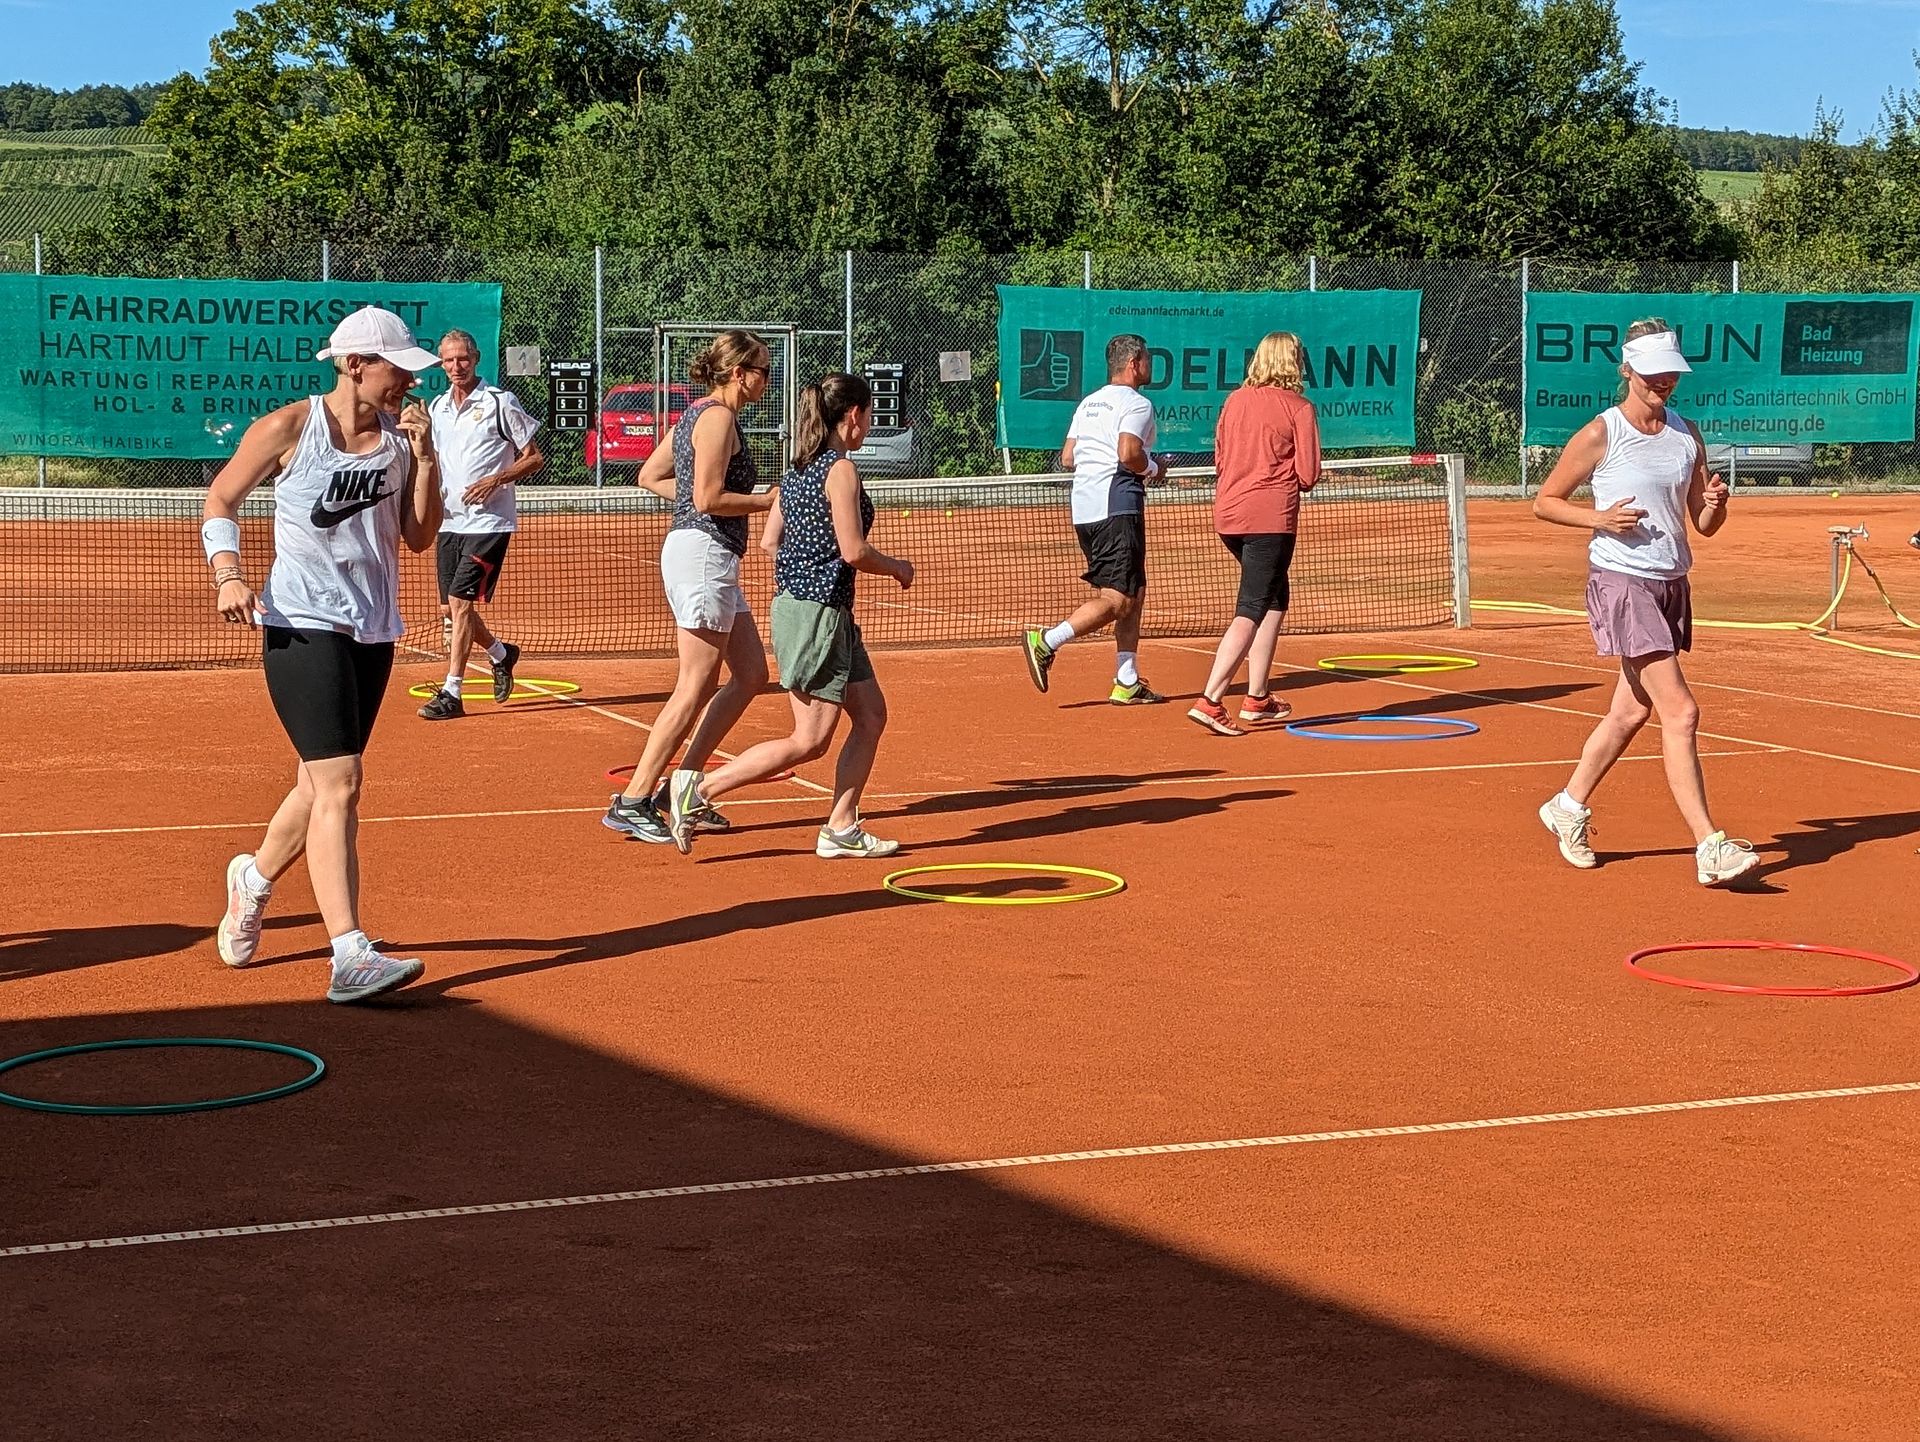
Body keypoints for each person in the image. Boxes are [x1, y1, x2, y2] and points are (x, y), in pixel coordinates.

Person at [202, 305, 444, 1002]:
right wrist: (229, 574)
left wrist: (426, 461)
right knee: (341, 784)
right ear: (352, 364)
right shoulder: (290, 427)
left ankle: (251, 881)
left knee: (316, 786)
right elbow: (221, 498)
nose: (405, 380)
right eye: (395, 367)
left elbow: (420, 536)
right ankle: (349, 953)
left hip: (372, 631)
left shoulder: (402, 441)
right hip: (299, 625)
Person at [1533, 318, 1760, 887]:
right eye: (1654, 372)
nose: (1664, 383)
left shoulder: (1687, 435)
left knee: (1631, 710)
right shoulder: (1600, 433)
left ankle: (1567, 805)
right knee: (1680, 711)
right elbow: (1545, 501)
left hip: (1670, 582)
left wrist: (1716, 502)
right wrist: (1600, 518)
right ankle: (1710, 845)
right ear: (1628, 369)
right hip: (1622, 580)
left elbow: (1703, 525)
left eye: (1671, 374)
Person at [666, 372, 913, 858]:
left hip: (820, 611)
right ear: (855, 416)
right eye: (868, 417)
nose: (868, 426)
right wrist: (897, 567)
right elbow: (852, 549)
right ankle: (698, 791)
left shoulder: (797, 471)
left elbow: (768, 541)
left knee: (870, 716)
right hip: (816, 615)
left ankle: (841, 826)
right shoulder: (839, 471)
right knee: (811, 739)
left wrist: (805, 572)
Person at [603, 331, 776, 843]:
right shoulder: (718, 417)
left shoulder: (698, 413)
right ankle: (633, 799)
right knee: (695, 685)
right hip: (703, 554)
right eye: (764, 370)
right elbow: (707, 497)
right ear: (740, 373)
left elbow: (650, 475)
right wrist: (767, 502)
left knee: (749, 673)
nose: (769, 380)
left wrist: (694, 502)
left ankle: (678, 789)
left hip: (706, 553)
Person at [1020, 333, 1168, 704]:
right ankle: (1046, 640)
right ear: (1134, 363)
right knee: (1118, 600)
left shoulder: (1089, 403)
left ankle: (1127, 680)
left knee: (1134, 591)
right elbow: (1128, 452)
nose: (1150, 364)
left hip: (1086, 509)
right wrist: (1152, 468)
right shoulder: (1137, 403)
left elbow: (1069, 456)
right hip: (1116, 506)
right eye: (1147, 358)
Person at [1188, 331, 1321, 736]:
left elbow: (1220, 458)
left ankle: (1258, 698)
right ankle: (1211, 700)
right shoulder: (1300, 407)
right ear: (1292, 362)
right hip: (1269, 520)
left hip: (1229, 515)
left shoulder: (1233, 401)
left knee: (1275, 598)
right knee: (1252, 606)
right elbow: (1308, 475)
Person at [416, 328, 544, 720]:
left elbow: (534, 457)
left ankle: (452, 693)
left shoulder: (499, 402)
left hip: (489, 522)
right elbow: (431, 461)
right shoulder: (435, 407)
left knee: (460, 603)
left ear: (476, 359)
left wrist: (496, 479)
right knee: (450, 610)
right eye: (449, 360)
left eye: (463, 359)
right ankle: (501, 654)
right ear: (441, 363)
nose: (456, 366)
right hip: (449, 521)